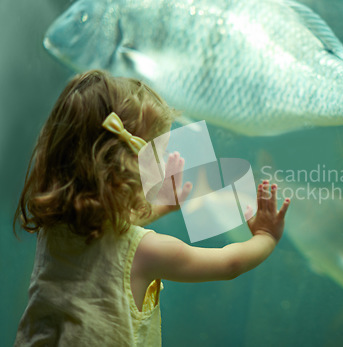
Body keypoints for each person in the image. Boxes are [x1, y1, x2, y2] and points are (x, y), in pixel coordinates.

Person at [13, 70, 290, 346]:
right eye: (160, 152)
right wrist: (266, 237)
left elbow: (111, 226)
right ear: (130, 166)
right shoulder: (148, 252)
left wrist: (163, 205)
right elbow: (231, 264)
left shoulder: (54, 226)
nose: (164, 161)